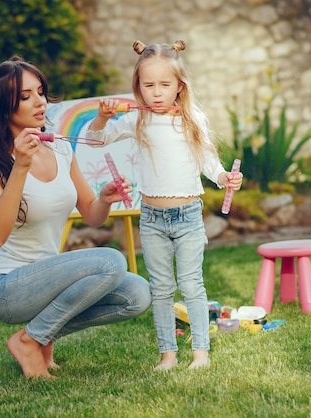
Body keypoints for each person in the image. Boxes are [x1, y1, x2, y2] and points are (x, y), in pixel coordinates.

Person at [0, 56, 151, 379]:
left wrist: (105, 199)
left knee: (137, 294)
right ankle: (29, 341)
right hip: (5, 286)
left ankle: (39, 335)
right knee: (112, 262)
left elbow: (92, 215)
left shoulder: (61, 149)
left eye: (41, 91)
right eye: (26, 96)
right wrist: (20, 166)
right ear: (3, 109)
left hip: (46, 281)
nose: (40, 102)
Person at [86, 40, 243, 370]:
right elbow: (94, 140)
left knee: (191, 285)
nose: (156, 93)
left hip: (187, 216)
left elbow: (208, 161)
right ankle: (168, 355)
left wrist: (223, 178)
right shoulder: (136, 121)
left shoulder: (191, 119)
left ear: (179, 86)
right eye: (148, 85)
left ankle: (201, 353)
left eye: (164, 85)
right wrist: (101, 118)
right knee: (160, 289)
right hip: (153, 218)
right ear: (138, 87)